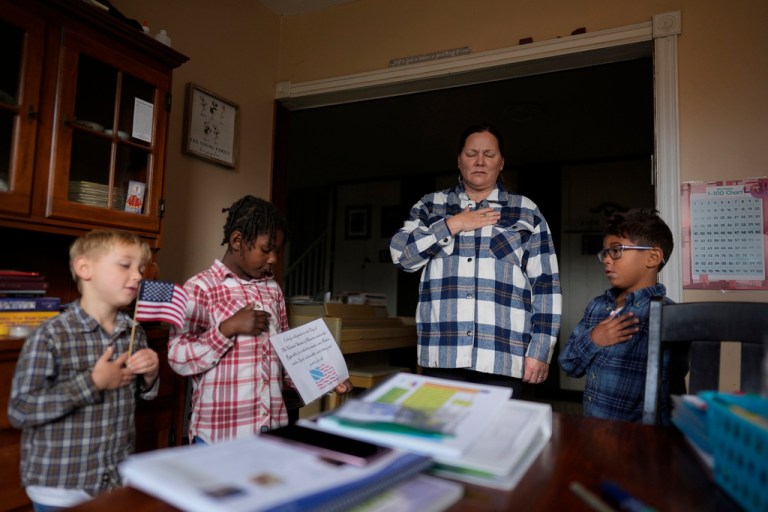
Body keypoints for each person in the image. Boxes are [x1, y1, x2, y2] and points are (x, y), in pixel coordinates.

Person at [389, 123, 562, 397]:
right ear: (459, 160)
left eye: (489, 154)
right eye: (472, 153)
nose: (480, 161)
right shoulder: (430, 206)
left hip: (502, 357)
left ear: (501, 162)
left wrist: (540, 350)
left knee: (497, 439)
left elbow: (545, 286)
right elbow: (401, 256)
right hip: (442, 355)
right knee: (441, 436)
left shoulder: (526, 211)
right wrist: (453, 224)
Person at [168, 195, 351, 444]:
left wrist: (327, 379)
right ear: (236, 241)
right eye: (267, 249)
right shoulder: (200, 288)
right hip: (219, 436)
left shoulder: (272, 289)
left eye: (277, 250)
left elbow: (286, 358)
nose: (274, 259)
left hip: (271, 431)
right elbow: (178, 358)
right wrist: (226, 329)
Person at [8, 229, 160, 511]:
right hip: (61, 484)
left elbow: (136, 397)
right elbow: (20, 410)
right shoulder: (51, 335)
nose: (139, 276)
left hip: (114, 477)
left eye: (141, 268)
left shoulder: (134, 333)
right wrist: (93, 382)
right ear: (84, 268)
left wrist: (149, 376)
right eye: (125, 265)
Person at [558, 209, 687, 425]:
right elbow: (569, 364)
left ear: (653, 257)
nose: (606, 260)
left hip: (638, 440)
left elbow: (667, 392)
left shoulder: (668, 315)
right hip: (594, 429)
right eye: (605, 253)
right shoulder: (597, 307)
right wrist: (594, 339)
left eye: (616, 251)